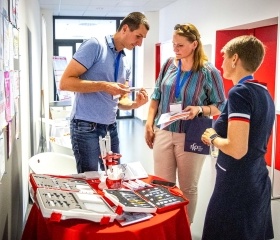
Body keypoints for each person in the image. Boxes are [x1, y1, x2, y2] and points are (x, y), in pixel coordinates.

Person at [145, 23, 226, 223]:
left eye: (180, 45)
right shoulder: (168, 65)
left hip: (192, 134)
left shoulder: (208, 72)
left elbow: (220, 106)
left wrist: (200, 109)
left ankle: (184, 229)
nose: (175, 49)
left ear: (194, 45)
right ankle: (166, 227)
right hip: (163, 130)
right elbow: (156, 95)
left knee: (188, 187)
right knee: (162, 185)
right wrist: (149, 123)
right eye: (173, 44)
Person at [201, 35, 274, 239]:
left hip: (237, 186)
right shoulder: (263, 92)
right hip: (256, 179)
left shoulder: (239, 93)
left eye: (224, 57)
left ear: (235, 59)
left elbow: (237, 149)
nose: (221, 63)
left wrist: (213, 136)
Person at [59, 12, 150, 173]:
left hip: (110, 128)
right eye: (138, 36)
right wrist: (103, 86)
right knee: (90, 180)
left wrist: (136, 104)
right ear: (125, 29)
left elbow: (121, 101)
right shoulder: (95, 46)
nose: (140, 43)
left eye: (142, 38)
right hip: (85, 126)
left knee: (115, 176)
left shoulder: (125, 62)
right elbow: (65, 83)